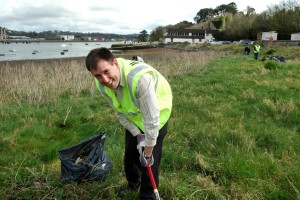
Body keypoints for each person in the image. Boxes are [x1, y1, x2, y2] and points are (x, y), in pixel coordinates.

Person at [85, 47, 172, 199]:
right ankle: (133, 184)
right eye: (98, 75)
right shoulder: (101, 85)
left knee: (149, 161)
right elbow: (119, 111)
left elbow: (151, 122)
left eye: (106, 71)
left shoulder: (140, 80)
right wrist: (137, 135)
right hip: (134, 116)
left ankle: (148, 194)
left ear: (116, 64)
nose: (104, 80)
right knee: (131, 154)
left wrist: (148, 150)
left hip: (158, 113)